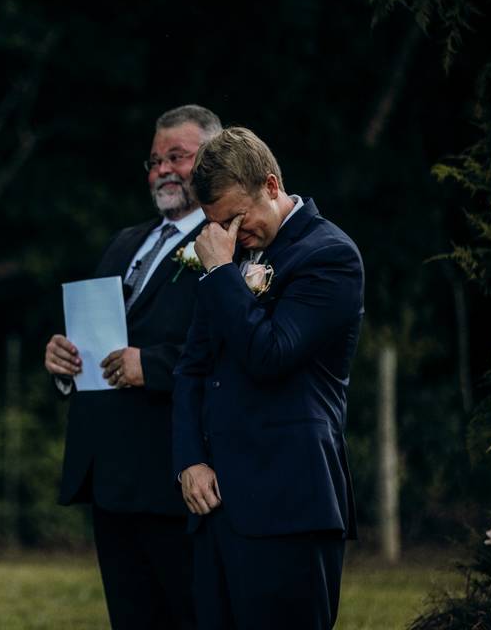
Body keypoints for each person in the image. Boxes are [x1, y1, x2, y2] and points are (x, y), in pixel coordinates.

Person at [173, 127, 363, 629]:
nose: (229, 234)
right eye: (216, 223)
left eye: (236, 217)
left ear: (272, 186)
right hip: (216, 509)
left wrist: (219, 277)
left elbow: (270, 354)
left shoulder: (330, 256)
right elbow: (193, 366)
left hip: (289, 504)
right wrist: (190, 459)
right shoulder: (229, 255)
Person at [44, 104, 221, 628]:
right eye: (154, 160)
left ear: (212, 162)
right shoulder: (125, 241)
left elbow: (227, 347)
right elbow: (98, 336)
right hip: (111, 475)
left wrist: (156, 365)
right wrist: (63, 361)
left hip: (174, 470)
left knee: (188, 614)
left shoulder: (223, 241)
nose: (163, 170)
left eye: (178, 157)